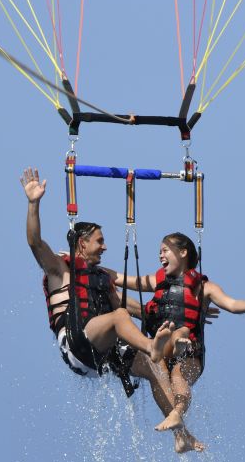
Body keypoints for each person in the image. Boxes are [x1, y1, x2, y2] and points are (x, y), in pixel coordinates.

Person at [23, 167, 193, 444]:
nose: (104, 247)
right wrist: (34, 203)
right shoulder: (61, 270)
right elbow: (34, 242)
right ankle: (150, 347)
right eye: (99, 241)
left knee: (155, 367)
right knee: (121, 319)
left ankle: (180, 435)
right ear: (82, 244)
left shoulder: (103, 277)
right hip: (76, 345)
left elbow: (139, 301)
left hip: (103, 352)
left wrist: (185, 308)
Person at [113, 232, 245, 439]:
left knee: (179, 371)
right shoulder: (156, 281)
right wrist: (81, 266)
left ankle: (177, 413)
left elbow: (231, 304)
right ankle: (180, 436)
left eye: (165, 250)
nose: (160, 256)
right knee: (161, 354)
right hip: (162, 349)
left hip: (190, 352)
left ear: (182, 252)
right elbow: (121, 279)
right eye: (159, 252)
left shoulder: (204, 287)